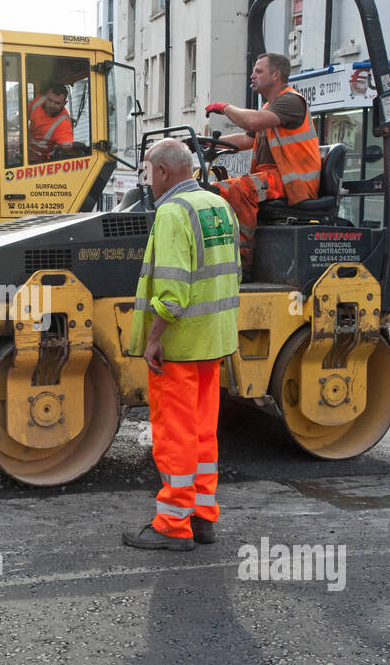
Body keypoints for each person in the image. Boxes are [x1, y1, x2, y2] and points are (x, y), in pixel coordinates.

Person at [123, 139, 241, 551]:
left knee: (175, 435)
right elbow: (233, 272)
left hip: (180, 345)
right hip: (213, 342)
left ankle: (172, 524)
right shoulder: (218, 206)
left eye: (147, 171)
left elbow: (172, 295)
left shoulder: (172, 213)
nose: (147, 180)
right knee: (203, 433)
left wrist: (154, 338)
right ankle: (202, 517)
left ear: (163, 172)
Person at [205, 52, 322, 264]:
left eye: (258, 71)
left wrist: (225, 108)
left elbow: (252, 123)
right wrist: (208, 143)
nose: (252, 75)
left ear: (276, 75)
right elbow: (245, 139)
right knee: (217, 190)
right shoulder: (270, 108)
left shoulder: (291, 101)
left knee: (243, 189)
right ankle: (219, 253)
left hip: (293, 181)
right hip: (275, 177)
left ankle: (243, 260)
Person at [28, 84, 74, 162]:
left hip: (40, 159)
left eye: (57, 103)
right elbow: (23, 115)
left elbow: (68, 144)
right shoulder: (38, 101)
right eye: (50, 100)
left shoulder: (64, 123)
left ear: (64, 103)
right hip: (24, 148)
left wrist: (67, 145)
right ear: (45, 96)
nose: (52, 105)